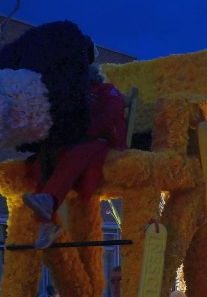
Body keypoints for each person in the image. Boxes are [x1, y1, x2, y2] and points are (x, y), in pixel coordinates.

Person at [23, 61, 128, 250]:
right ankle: (47, 223)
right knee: (43, 159)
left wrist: (81, 132)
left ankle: (49, 200)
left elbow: (111, 117)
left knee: (75, 154)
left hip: (99, 143)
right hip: (74, 142)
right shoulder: (70, 95)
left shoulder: (106, 90)